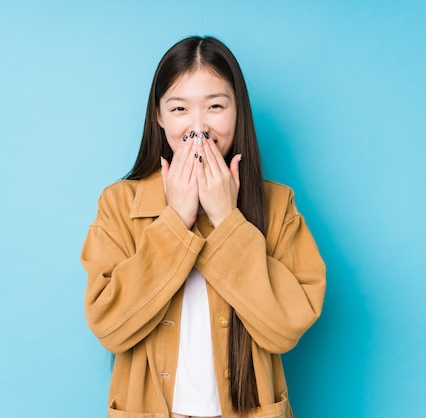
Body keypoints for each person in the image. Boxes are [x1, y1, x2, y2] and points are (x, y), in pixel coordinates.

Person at [81, 36, 326, 418]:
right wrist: (176, 221)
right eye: (179, 108)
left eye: (215, 106)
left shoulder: (278, 205)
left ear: (237, 112)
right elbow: (111, 328)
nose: (199, 128)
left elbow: (286, 326)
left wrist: (227, 219)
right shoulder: (118, 204)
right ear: (159, 117)